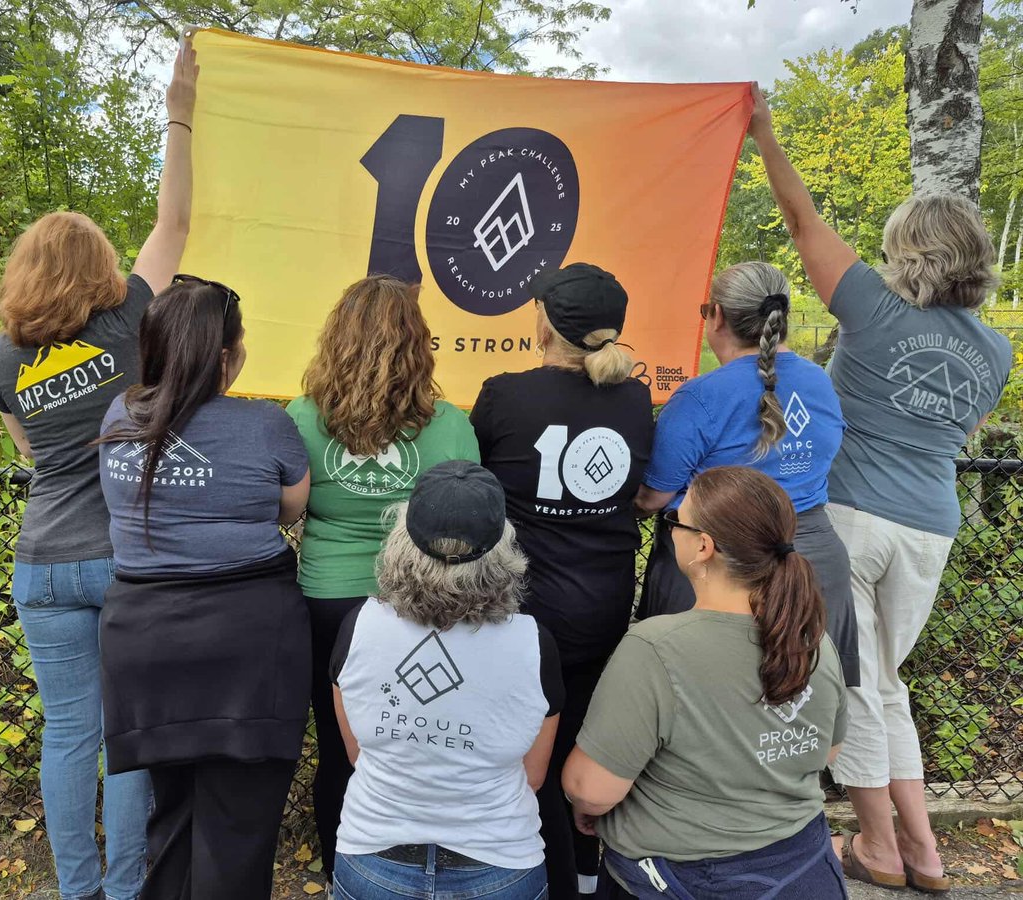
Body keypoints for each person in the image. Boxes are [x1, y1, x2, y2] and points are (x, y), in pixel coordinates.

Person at [748, 82, 1013, 892]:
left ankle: (878, 848)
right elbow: (956, 433)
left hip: (854, 519)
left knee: (856, 685)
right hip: (931, 526)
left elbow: (802, 223)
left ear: (909, 255)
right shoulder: (997, 353)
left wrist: (763, 130)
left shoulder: (873, 311)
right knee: (887, 682)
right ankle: (926, 851)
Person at [0, 39, 197, 900]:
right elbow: (173, 222)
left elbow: (28, 453)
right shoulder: (126, 326)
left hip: (40, 561)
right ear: (102, 270)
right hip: (121, 557)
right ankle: (125, 888)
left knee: (67, 735)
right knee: (127, 734)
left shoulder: (6, 357)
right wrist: (179, 109)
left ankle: (75, 891)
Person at [95, 275, 312, 899]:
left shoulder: (120, 413)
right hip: (248, 643)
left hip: (144, 640)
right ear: (226, 357)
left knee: (174, 812)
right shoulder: (265, 425)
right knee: (239, 825)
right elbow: (290, 509)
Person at [563, 466, 848, 898]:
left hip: (686, 876)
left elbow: (591, 789)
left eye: (676, 518)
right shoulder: (811, 636)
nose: (671, 526)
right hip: (801, 866)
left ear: (702, 546)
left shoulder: (654, 646)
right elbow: (827, 748)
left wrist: (589, 807)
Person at [286, 275, 480, 883]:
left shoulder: (302, 418)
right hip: (419, 601)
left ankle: (346, 866)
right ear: (418, 345)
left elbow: (289, 508)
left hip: (327, 598)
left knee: (340, 744)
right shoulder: (448, 423)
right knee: (422, 736)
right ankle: (416, 863)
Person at [470, 263, 654, 900]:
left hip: (523, 612)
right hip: (601, 607)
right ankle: (580, 872)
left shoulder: (503, 394)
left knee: (521, 753)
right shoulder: (634, 398)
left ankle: (526, 870)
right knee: (579, 746)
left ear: (543, 322)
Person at [331, 460, 562, 900]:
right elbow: (532, 775)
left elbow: (358, 753)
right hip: (500, 867)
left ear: (402, 536)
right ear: (502, 546)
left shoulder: (358, 627)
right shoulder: (535, 646)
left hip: (373, 860)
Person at [635, 260, 858, 687]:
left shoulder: (700, 397)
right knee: (807, 701)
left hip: (717, 567)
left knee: (695, 699)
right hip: (813, 563)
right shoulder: (819, 383)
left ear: (716, 316)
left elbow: (652, 498)